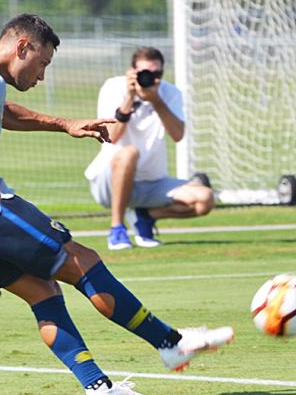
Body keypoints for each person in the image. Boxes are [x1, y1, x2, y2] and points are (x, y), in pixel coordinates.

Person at [0, 14, 233, 395]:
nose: (42, 75)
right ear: (22, 48)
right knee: (80, 260)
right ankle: (171, 343)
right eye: (43, 63)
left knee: (42, 291)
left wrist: (65, 124)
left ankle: (98, 388)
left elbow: (1, 112)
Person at [84, 47, 215, 250]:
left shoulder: (169, 93)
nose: (151, 78)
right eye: (145, 73)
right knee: (129, 153)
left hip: (152, 182)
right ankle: (117, 229)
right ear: (132, 71)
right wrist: (129, 98)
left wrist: (155, 100)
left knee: (204, 199)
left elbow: (178, 135)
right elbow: (111, 136)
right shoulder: (114, 87)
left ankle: (144, 216)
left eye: (157, 73)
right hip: (109, 182)